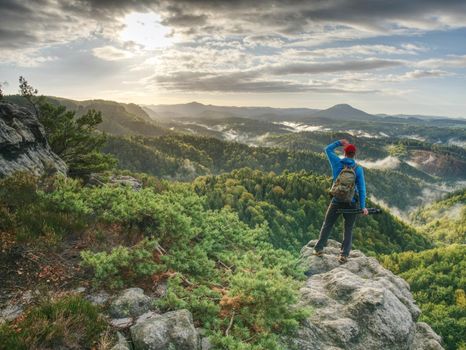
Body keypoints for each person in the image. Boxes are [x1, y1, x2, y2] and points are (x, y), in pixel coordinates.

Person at [314, 139, 367, 263]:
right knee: (348, 228)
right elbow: (362, 188)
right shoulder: (358, 169)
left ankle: (319, 249)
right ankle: (344, 255)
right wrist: (363, 206)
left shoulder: (337, 163)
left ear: (344, 153)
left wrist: (339, 142)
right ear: (355, 154)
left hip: (336, 200)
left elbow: (327, 149)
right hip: (351, 202)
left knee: (327, 224)